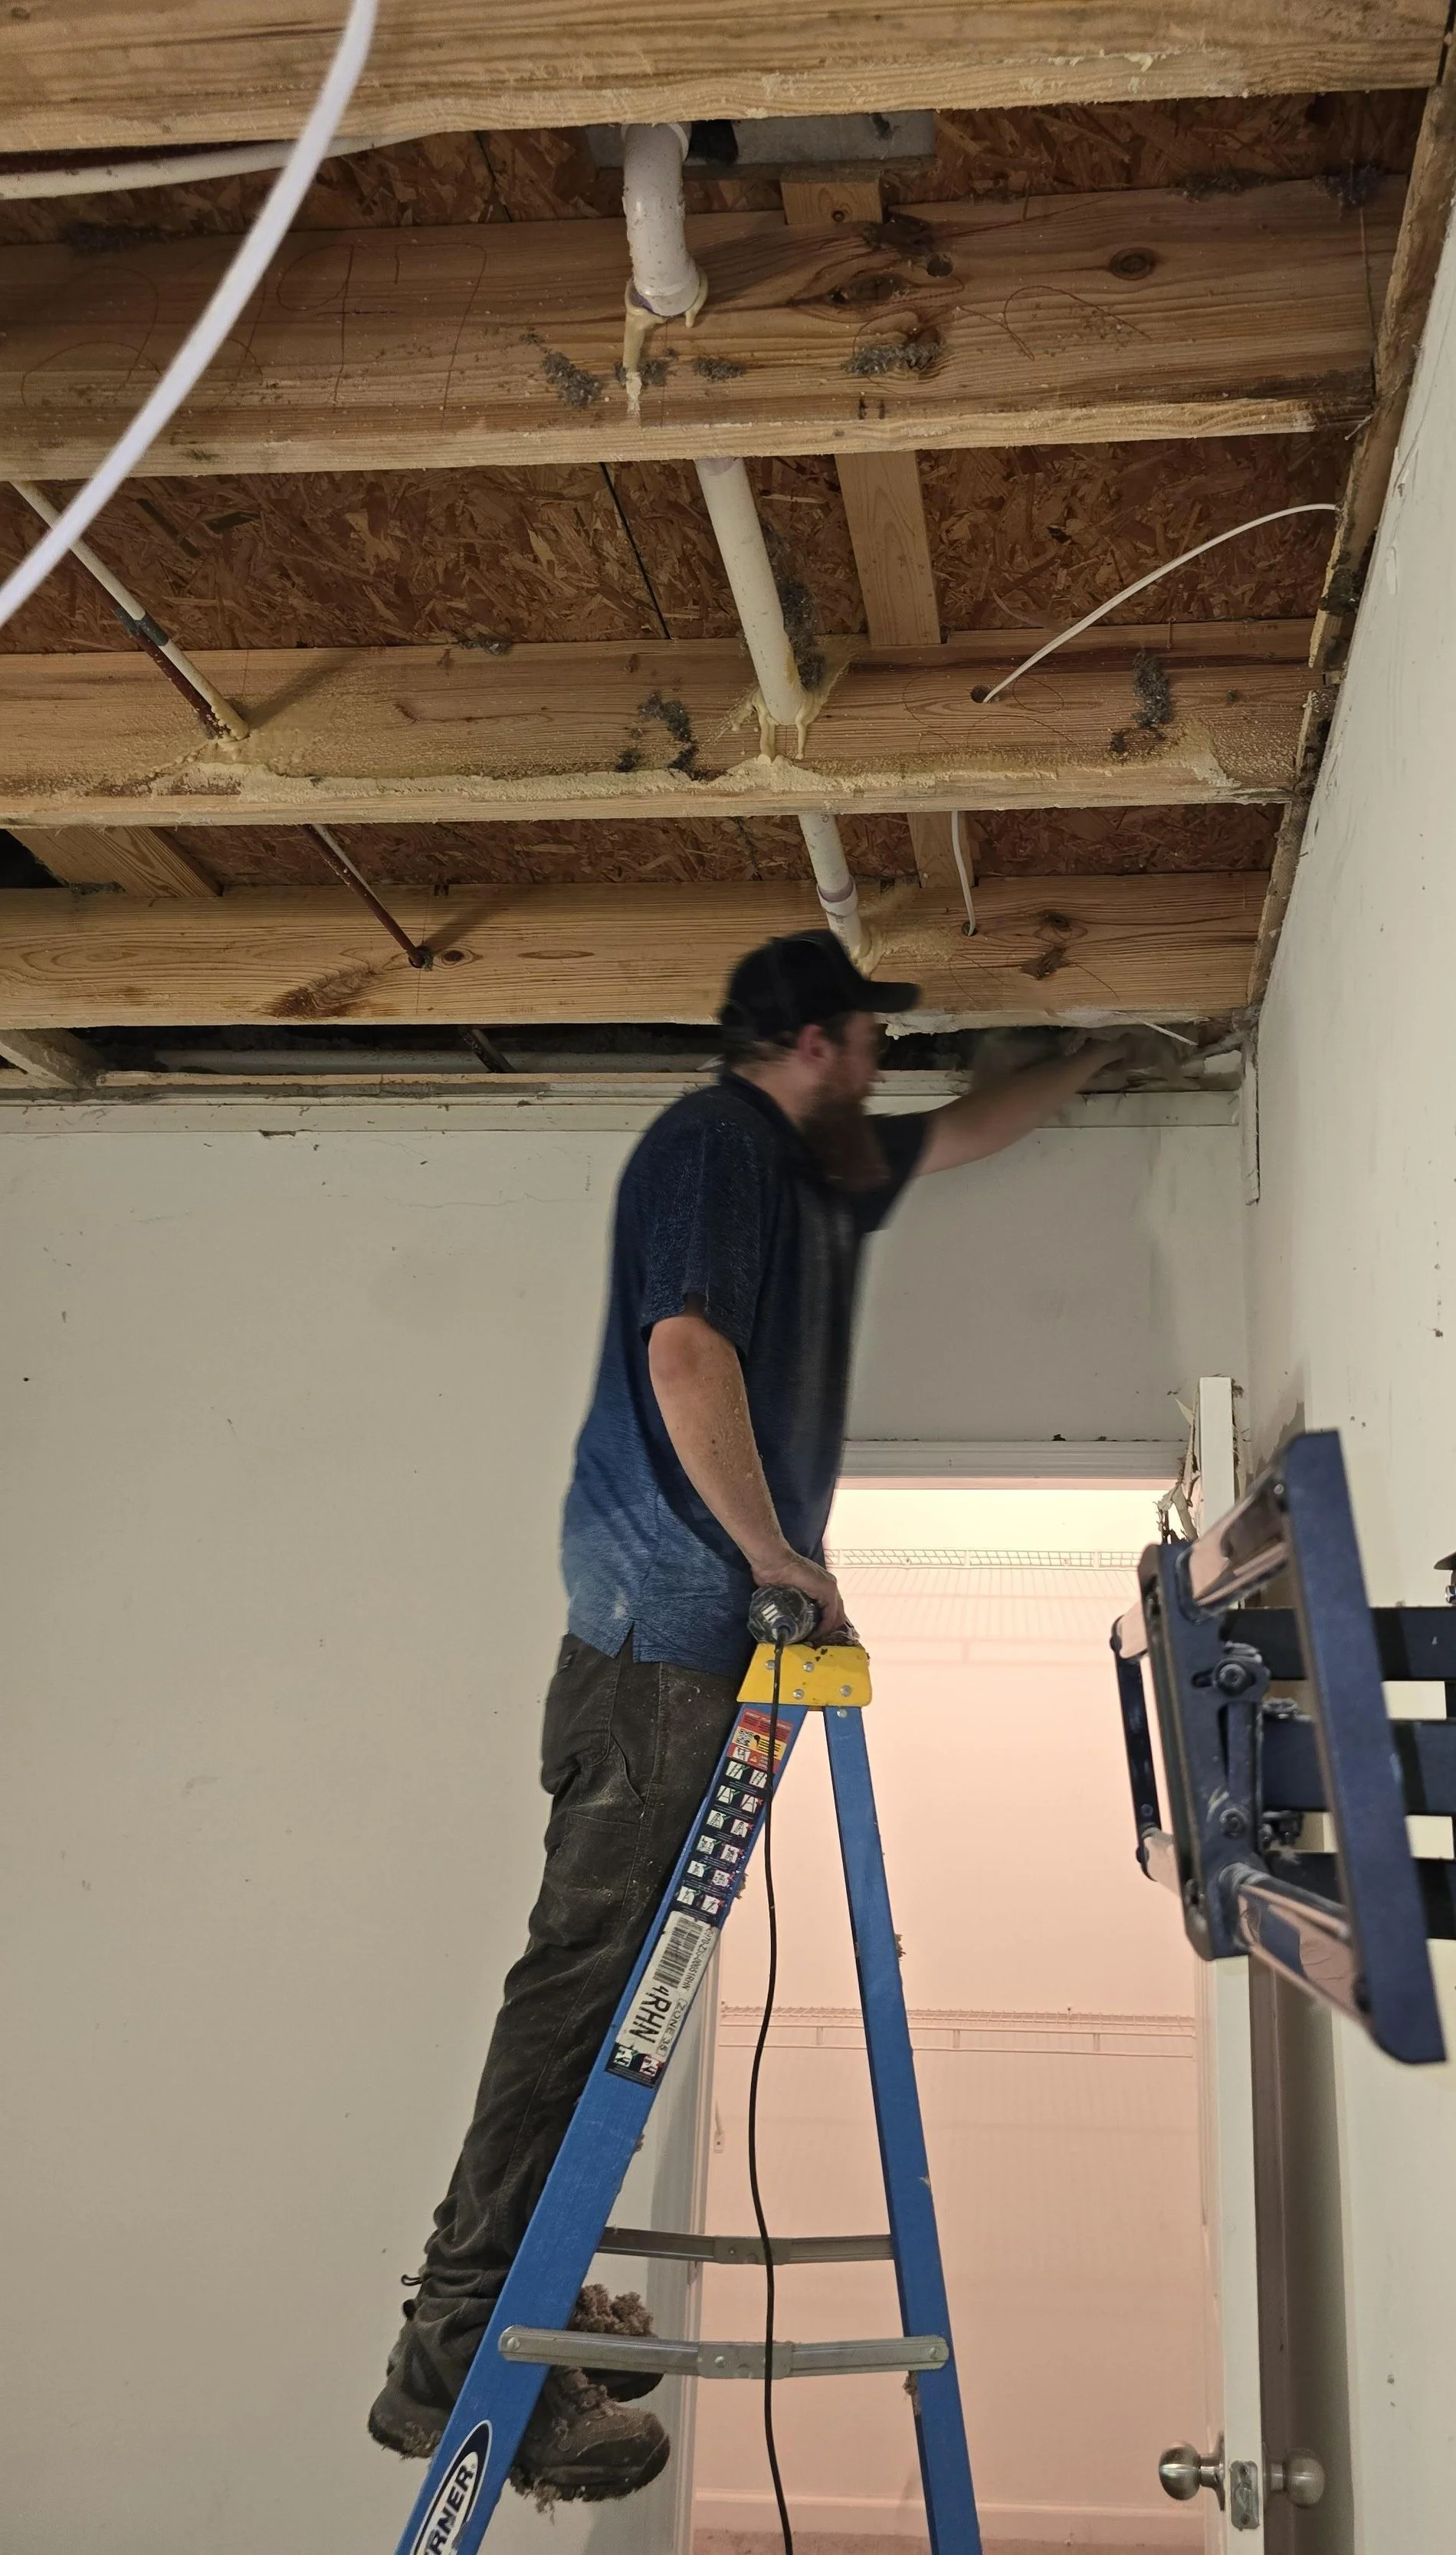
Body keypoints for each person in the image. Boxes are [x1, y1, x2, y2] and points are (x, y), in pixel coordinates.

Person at [370, 928, 1122, 2502]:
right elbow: (683, 1344)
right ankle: (457, 2337)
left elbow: (958, 1132)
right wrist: (777, 1554)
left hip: (691, 1639)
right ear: (810, 1042)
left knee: (606, 1990)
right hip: (664, 1635)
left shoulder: (804, 1167)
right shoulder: (719, 1146)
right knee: (583, 1992)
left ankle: (519, 2299)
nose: (880, 1075)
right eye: (864, 1043)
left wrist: (1094, 1060)